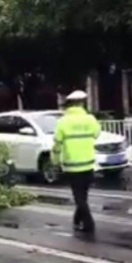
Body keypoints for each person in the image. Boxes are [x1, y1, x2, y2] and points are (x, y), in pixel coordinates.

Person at [51, 90, 100, 234]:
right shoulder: (90, 119)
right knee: (83, 196)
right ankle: (77, 220)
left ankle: (89, 223)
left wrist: (55, 161)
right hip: (89, 163)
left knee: (79, 197)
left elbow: (57, 145)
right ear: (82, 104)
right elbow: (97, 134)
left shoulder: (62, 122)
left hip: (72, 165)